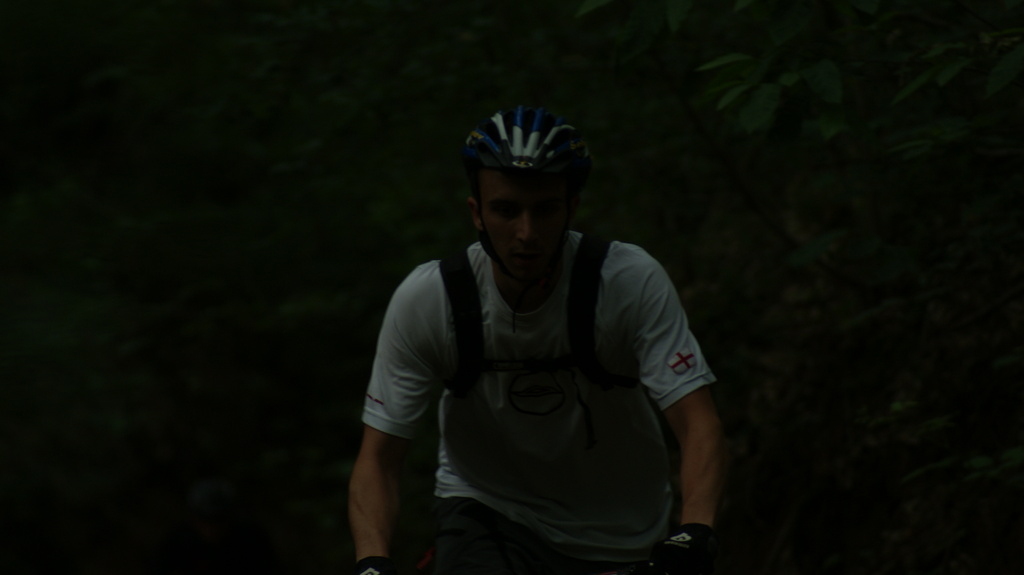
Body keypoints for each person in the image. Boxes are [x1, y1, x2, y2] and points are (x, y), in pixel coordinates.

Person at [348, 106, 727, 575]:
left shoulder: (627, 283)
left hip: (621, 531)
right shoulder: (430, 300)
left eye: (544, 209)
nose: (526, 234)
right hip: (488, 511)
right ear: (477, 213)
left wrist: (695, 531)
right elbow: (379, 458)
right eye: (506, 210)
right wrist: (372, 561)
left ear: (572, 208)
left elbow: (698, 423)